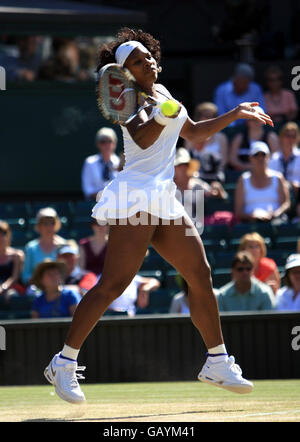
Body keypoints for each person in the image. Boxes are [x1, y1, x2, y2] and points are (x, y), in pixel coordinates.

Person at [44, 27, 274, 404]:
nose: (147, 61)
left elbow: (196, 134)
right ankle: (63, 363)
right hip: (136, 194)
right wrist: (165, 115)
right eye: (137, 60)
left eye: (147, 55)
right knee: (113, 285)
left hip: (163, 196)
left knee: (199, 274)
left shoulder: (164, 95)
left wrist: (235, 112)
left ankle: (217, 360)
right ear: (125, 73)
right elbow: (146, 137)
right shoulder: (126, 97)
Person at [234, 141, 290, 223]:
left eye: (263, 155)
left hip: (275, 222)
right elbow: (238, 211)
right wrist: (251, 216)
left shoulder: (278, 177)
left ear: (268, 157)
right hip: (250, 224)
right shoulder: (243, 179)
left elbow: (285, 203)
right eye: (256, 155)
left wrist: (274, 214)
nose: (260, 158)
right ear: (250, 158)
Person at [174, 148, 228, 225]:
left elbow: (223, 196)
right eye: (179, 165)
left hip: (196, 227)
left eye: (186, 165)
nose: (183, 168)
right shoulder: (169, 187)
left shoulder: (197, 184)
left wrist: (217, 188)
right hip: (175, 227)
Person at [184, 102, 229, 182]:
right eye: (205, 116)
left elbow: (224, 162)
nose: (208, 118)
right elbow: (187, 159)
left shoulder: (221, 137)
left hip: (215, 178)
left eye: (211, 116)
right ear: (199, 117)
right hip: (194, 177)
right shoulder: (189, 135)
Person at [21, 208, 66, 285]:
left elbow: (67, 273)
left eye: (52, 223)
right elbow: (25, 275)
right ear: (39, 226)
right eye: (45, 223)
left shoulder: (64, 245)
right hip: (36, 289)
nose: (49, 227)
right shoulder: (31, 248)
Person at [214, 63, 265, 127]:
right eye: (242, 80)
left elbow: (261, 110)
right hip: (226, 126)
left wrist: (250, 121)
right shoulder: (222, 89)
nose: (244, 84)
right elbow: (220, 113)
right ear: (235, 78)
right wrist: (232, 126)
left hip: (250, 126)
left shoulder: (256, 88)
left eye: (247, 81)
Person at [81, 127, 120, 200]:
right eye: (103, 141)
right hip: (95, 205)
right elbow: (88, 190)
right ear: (98, 144)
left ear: (114, 144)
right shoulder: (90, 162)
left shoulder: (120, 163)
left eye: (110, 141)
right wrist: (105, 197)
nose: (107, 144)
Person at [268, 122, 300, 197]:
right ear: (281, 137)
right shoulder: (274, 158)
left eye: (294, 136)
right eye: (288, 136)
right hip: (278, 194)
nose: (290, 139)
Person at [0, 221, 24, 300]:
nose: (1, 238)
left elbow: (15, 278)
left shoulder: (17, 255)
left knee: (12, 295)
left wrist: (3, 287)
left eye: (3, 234)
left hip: (12, 288)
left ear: (8, 236)